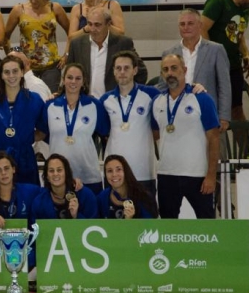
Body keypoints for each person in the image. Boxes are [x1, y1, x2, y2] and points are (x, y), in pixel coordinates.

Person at [153, 54, 220, 219]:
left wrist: (211, 175)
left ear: (184, 70)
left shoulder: (201, 98)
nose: (170, 73)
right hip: (166, 174)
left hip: (197, 175)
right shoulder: (157, 101)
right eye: (165, 69)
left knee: (207, 225)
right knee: (169, 227)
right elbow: (154, 134)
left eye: (174, 68)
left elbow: (214, 138)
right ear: (162, 74)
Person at [202, 0, 249, 124]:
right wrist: (213, 60)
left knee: (237, 110)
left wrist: (245, 54)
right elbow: (202, 30)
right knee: (213, 110)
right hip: (214, 67)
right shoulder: (219, 1)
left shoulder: (245, 8)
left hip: (233, 65)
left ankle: (243, 148)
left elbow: (238, 33)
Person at [37, 63, 108, 194]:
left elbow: (106, 134)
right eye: (69, 77)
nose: (73, 81)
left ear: (84, 81)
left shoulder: (94, 105)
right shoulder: (50, 105)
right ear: (63, 80)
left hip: (88, 174)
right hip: (58, 176)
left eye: (78, 78)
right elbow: (43, 134)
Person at [99, 51, 160, 197]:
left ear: (135, 70)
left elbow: (174, 95)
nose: (122, 72)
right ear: (113, 71)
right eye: (118, 68)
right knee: (116, 217)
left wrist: (194, 88)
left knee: (146, 218)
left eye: (126, 68)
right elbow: (103, 131)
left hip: (144, 170)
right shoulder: (105, 100)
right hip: (115, 175)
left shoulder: (151, 94)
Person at [160, 9, 232, 131]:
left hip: (207, 113)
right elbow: (163, 86)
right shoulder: (169, 53)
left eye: (190, 23)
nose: (186, 27)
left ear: (200, 25)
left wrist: (224, 116)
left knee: (213, 148)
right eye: (182, 24)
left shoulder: (216, 50)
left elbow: (224, 85)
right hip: (177, 113)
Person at [0, 55, 45, 186]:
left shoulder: (34, 99)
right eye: (7, 72)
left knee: (27, 200)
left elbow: (43, 130)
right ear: (1, 75)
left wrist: (26, 139)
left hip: (24, 158)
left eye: (15, 71)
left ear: (22, 72)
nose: (11, 76)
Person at [3, 0, 70, 93]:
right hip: (26, 67)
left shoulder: (55, 8)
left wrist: (66, 55)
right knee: (27, 102)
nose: (33, 0)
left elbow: (71, 32)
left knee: (50, 99)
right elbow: (5, 36)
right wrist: (12, 56)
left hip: (51, 66)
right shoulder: (19, 10)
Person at [0, 152, 41, 268]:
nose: (3, 173)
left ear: (13, 169)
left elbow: (51, 194)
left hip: (26, 252)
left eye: (6, 168)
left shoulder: (29, 191)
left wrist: (73, 184)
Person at [66, 8, 147, 99]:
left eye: (97, 25)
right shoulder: (76, 44)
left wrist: (129, 95)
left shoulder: (122, 43)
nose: (92, 29)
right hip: (85, 103)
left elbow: (141, 72)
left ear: (108, 24)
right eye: (90, 24)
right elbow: (68, 75)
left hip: (114, 103)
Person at [32, 153, 98, 220]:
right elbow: (33, 228)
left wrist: (76, 216)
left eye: (59, 170)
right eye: (51, 171)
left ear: (66, 173)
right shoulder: (39, 202)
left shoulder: (85, 195)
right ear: (47, 176)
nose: (55, 174)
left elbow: (94, 226)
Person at [97, 155, 158, 219]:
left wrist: (130, 221)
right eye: (109, 171)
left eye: (118, 169)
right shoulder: (102, 198)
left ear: (126, 171)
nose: (114, 174)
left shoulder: (143, 197)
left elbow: (149, 226)